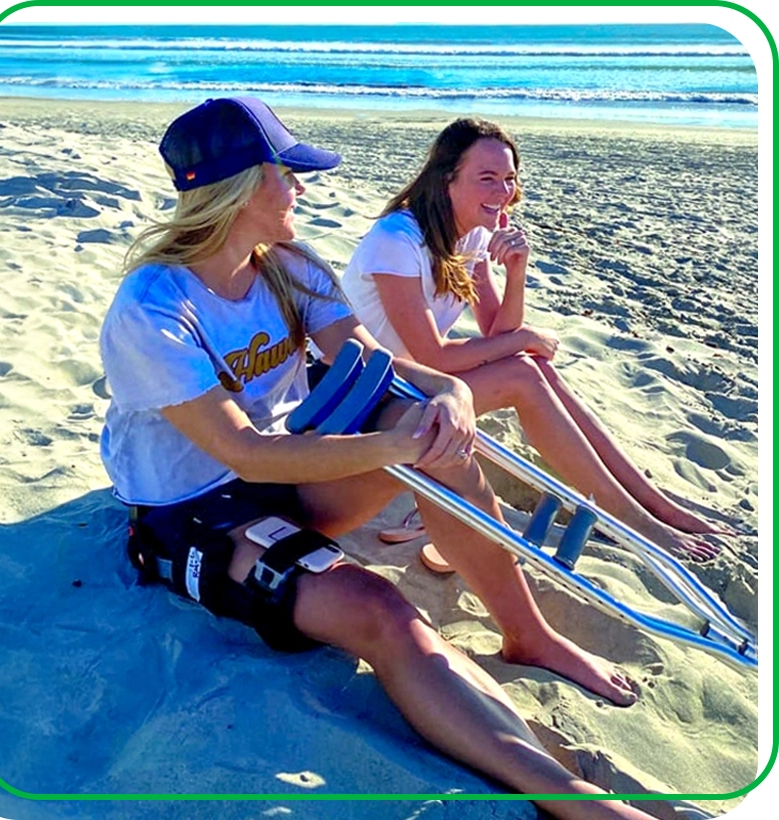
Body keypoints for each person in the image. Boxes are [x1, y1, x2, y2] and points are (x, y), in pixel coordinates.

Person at [99, 96, 667, 819]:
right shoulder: (152, 307)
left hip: (289, 474)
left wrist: (447, 392)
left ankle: (527, 633)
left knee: (426, 424)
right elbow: (246, 452)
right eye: (286, 174)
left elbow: (371, 360)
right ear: (239, 189)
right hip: (195, 510)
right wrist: (396, 445)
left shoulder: (288, 265)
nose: (300, 188)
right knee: (379, 608)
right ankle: (572, 798)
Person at [342, 116, 731, 568]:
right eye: (487, 178)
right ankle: (630, 519)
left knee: (532, 366)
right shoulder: (397, 238)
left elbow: (497, 334)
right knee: (523, 373)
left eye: (509, 178)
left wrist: (517, 271)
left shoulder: (472, 234)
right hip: (362, 400)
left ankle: (654, 504)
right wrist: (524, 338)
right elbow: (435, 354)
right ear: (447, 179)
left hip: (412, 384)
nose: (503, 191)